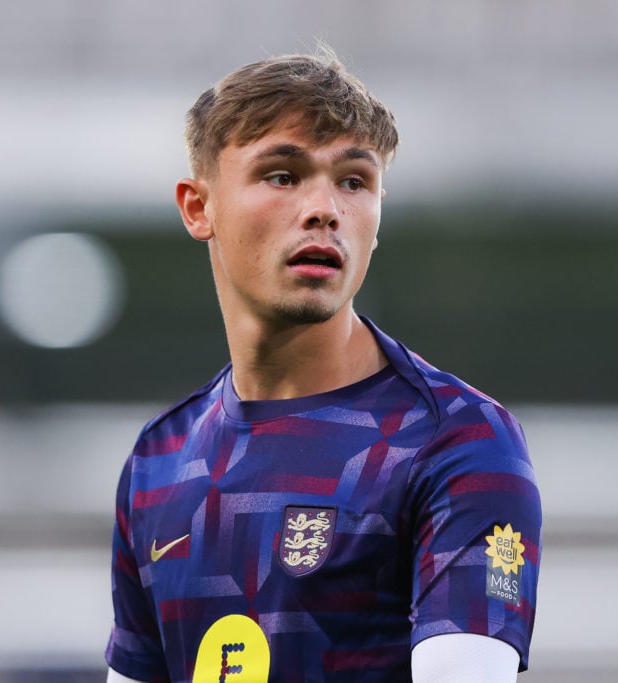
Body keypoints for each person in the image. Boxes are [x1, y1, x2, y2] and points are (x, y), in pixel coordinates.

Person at [106, 47, 541, 683]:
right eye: (283, 176)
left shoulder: (458, 443)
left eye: (354, 181)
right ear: (199, 207)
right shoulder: (159, 457)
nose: (325, 209)